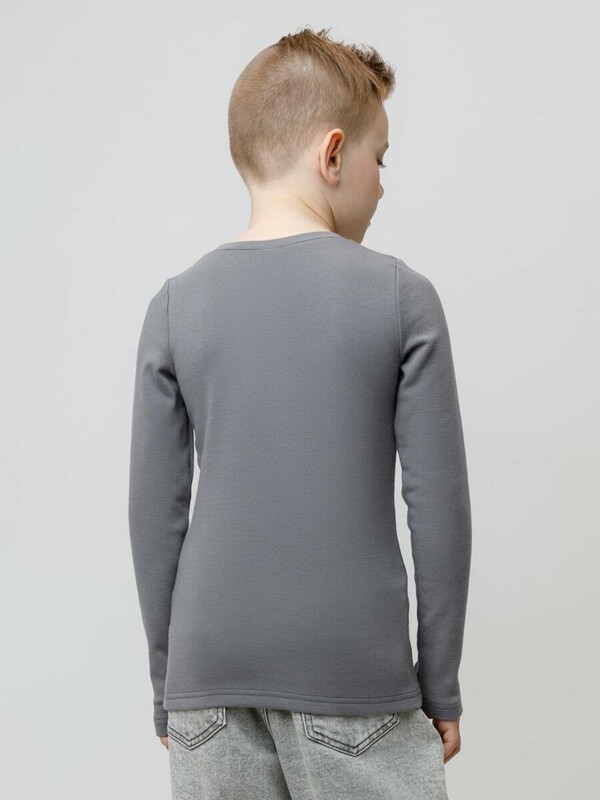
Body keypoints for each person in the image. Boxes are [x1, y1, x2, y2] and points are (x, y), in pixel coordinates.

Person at [129, 25, 472, 800]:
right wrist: (440, 684)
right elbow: (438, 507)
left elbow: (154, 514)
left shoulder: (174, 306)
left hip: (207, 683)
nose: (382, 185)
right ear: (333, 154)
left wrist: (167, 683)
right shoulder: (401, 297)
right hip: (356, 678)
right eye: (381, 159)